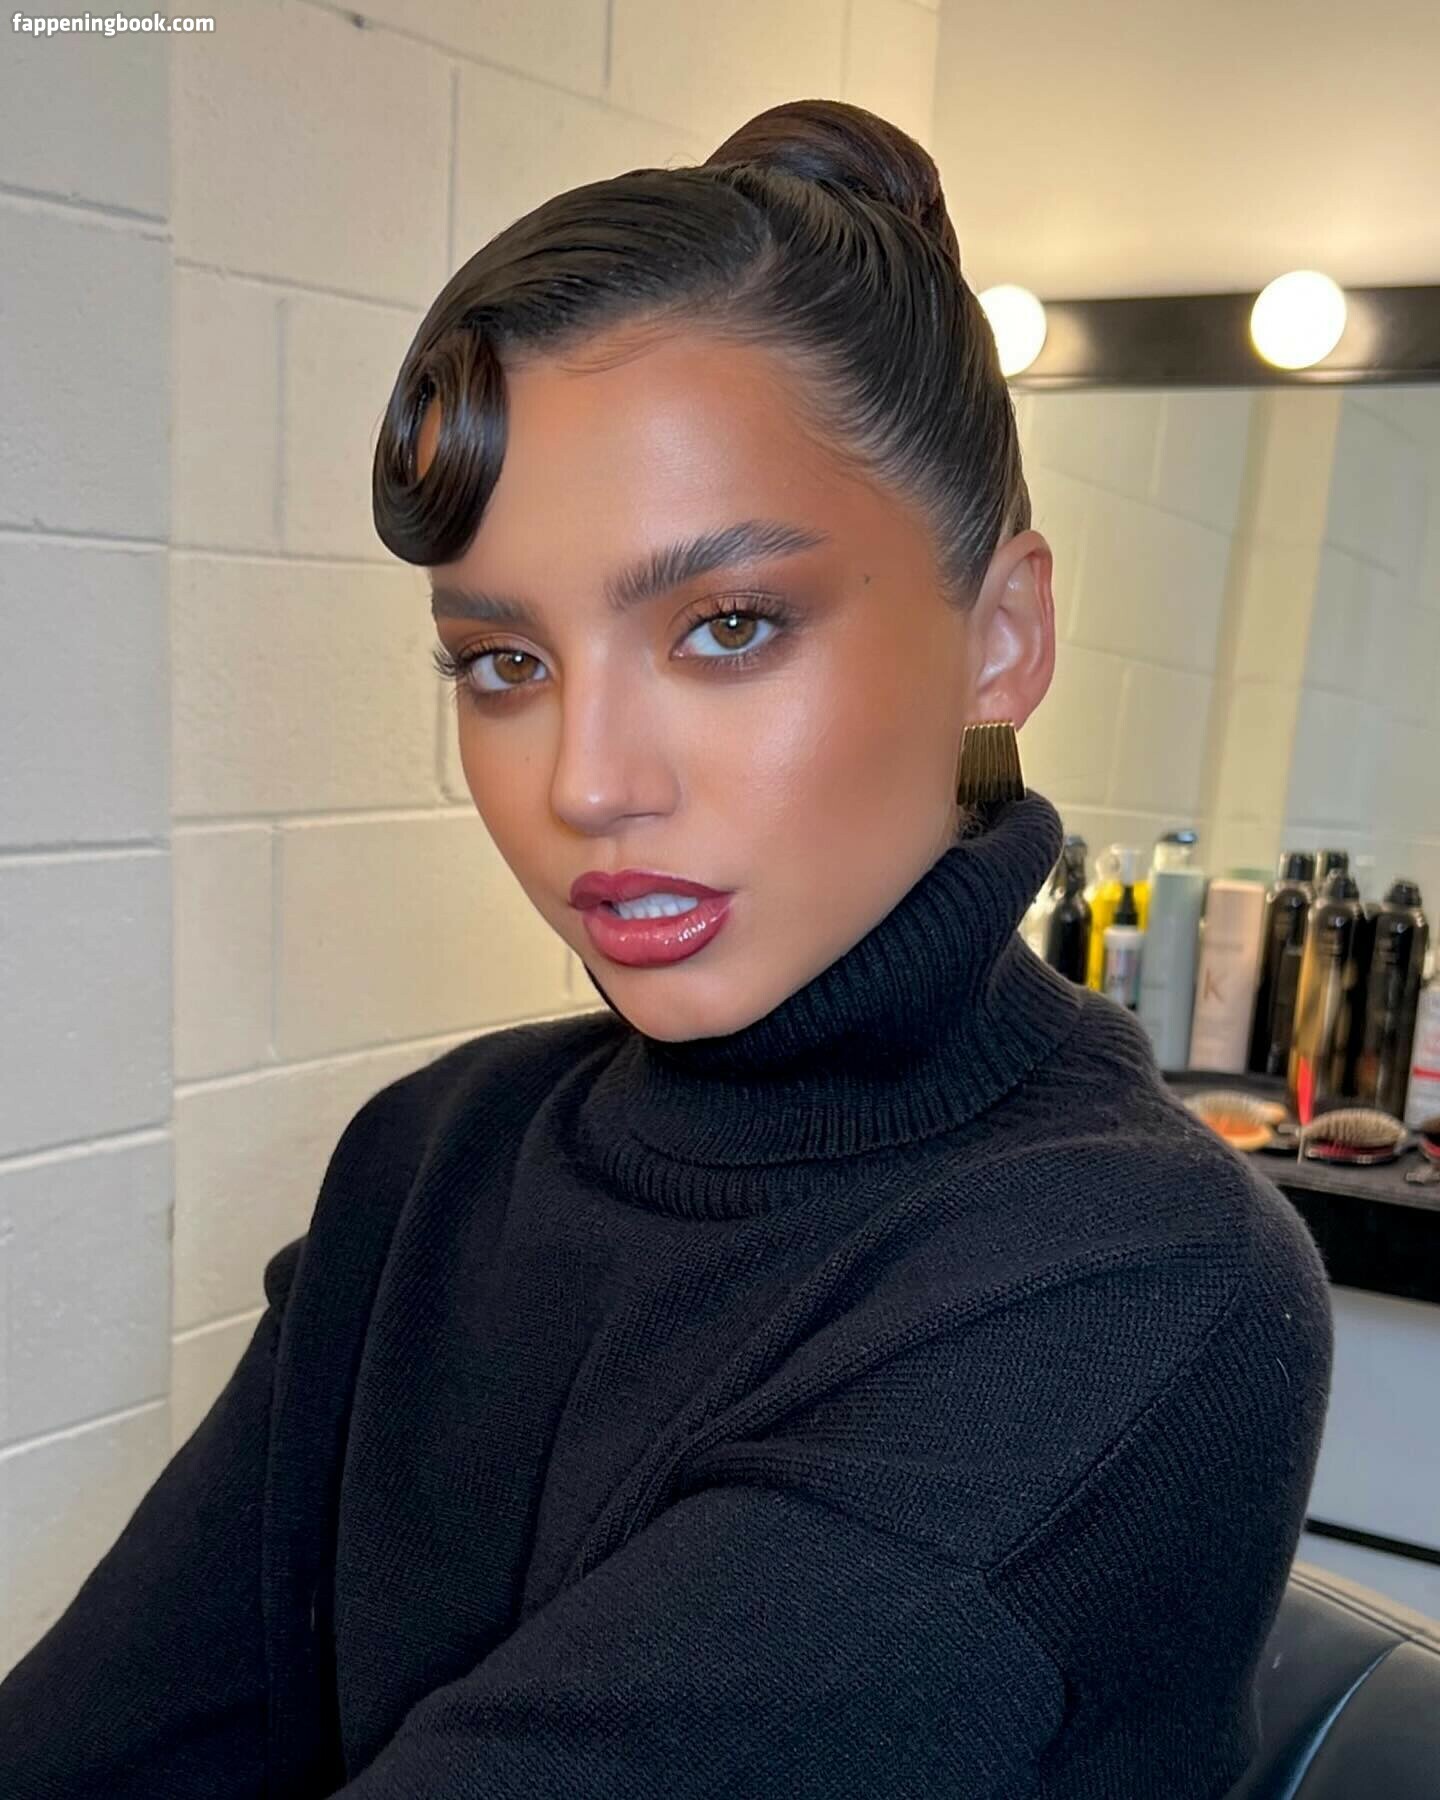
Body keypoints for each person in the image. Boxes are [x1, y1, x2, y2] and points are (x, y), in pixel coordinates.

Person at [0, 99, 1331, 1798]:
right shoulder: (433, 1164)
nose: (587, 784)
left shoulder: (1135, 1280)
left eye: (727, 626)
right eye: (503, 663)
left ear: (1002, 638)